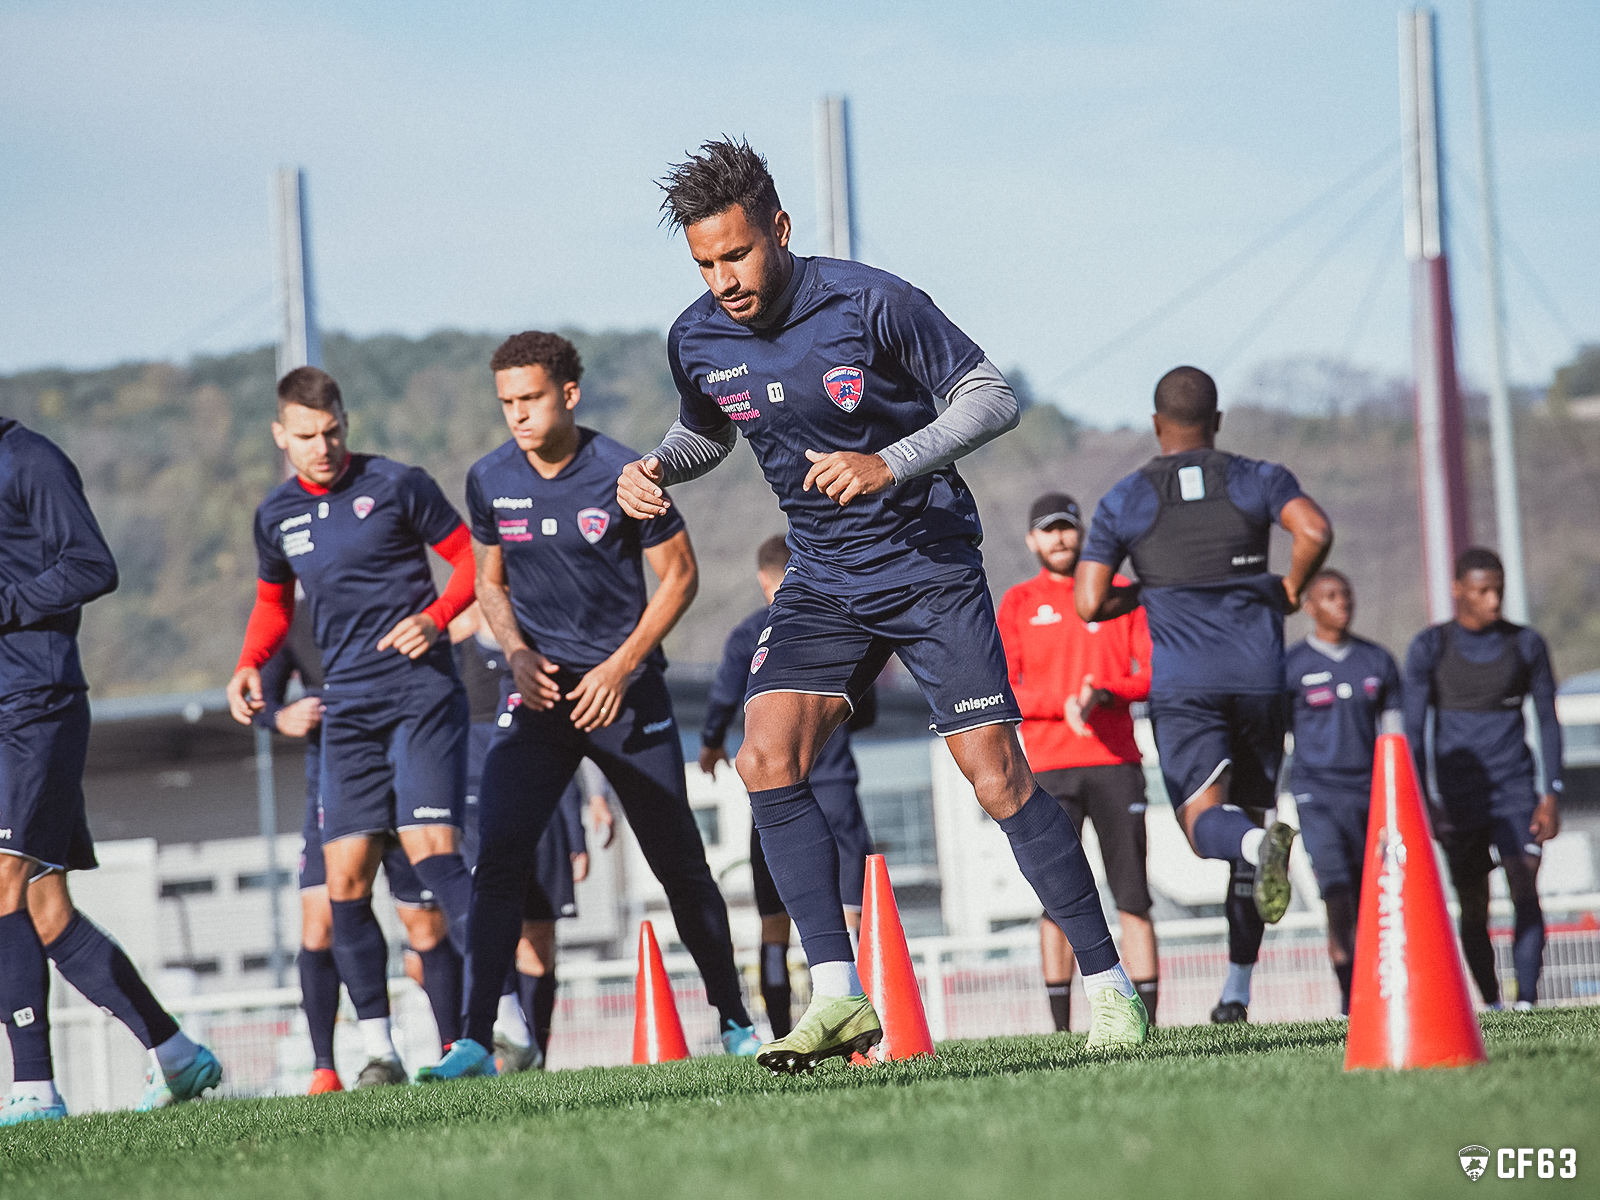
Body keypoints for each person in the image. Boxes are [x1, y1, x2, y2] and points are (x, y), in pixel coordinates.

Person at [619, 139, 1148, 1073]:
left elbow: (992, 398)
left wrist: (891, 461)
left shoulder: (870, 301)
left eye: (736, 255)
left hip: (928, 563)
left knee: (994, 777)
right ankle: (838, 996)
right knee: (764, 755)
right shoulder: (696, 335)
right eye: (705, 264)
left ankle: (1110, 988)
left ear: (779, 230)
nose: (724, 280)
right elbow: (707, 434)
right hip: (823, 574)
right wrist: (657, 467)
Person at [423, 329, 757, 1082]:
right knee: (498, 861)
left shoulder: (624, 471)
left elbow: (679, 577)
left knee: (680, 862)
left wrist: (618, 667)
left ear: (568, 394)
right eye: (506, 401)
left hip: (627, 696)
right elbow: (489, 583)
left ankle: (734, 1020)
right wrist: (513, 654)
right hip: (538, 700)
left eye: (531, 398)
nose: (517, 414)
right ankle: (478, 1039)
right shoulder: (488, 479)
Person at [226, 366, 478, 1088]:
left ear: (345, 423)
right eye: (306, 436)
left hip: (420, 691)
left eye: (332, 431)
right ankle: (378, 1050)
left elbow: (468, 560)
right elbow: (273, 605)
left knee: (433, 851)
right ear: (282, 436)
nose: (323, 446)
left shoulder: (399, 484)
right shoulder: (275, 515)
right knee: (343, 878)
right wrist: (250, 664)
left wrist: (433, 620)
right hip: (347, 708)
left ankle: (493, 1025)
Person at [1075, 367, 1332, 982]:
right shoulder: (1257, 477)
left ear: (1157, 424)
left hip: (1187, 686)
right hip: (1261, 677)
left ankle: (1252, 848)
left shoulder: (1127, 497)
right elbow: (1315, 530)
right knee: (1250, 819)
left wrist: (1143, 592)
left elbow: (1088, 602)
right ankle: (1237, 991)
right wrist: (1292, 587)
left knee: (1208, 829)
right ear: (1216, 422)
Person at [0, 417, 220, 1124]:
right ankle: (178, 1053)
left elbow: (94, 564)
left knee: (1, 883)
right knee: (46, 908)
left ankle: (34, 1089)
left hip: (35, 704)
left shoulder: (28, 458)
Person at [256, 601, 460, 1093]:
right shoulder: (293, 617)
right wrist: (280, 716)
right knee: (320, 918)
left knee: (424, 924)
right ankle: (329, 1066)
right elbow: (258, 696)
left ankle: (456, 1049)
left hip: (404, 775)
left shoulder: (393, 596)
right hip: (334, 785)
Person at [699, 536, 876, 1039]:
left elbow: (723, 700)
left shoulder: (751, 633)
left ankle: (782, 1029)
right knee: (856, 914)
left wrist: (711, 745)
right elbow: (870, 708)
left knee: (774, 922)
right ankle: (875, 1023)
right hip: (835, 784)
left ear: (762, 578)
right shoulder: (844, 619)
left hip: (778, 795)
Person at [997, 492, 1160, 1030]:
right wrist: (1059, 704)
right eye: (1049, 530)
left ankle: (1147, 1021)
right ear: (1032, 541)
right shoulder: (1019, 603)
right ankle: (1062, 1027)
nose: (1060, 538)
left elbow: (1151, 675)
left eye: (1068, 528)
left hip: (1116, 762)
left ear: (1083, 532)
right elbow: (1005, 688)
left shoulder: (1118, 594)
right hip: (1046, 768)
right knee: (1056, 900)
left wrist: (1103, 694)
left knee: (1133, 895)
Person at [448, 603, 615, 1073]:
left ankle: (535, 1056)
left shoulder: (546, 651)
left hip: (550, 810)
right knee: (499, 926)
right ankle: (494, 1044)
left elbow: (578, 736)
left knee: (540, 941)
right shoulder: (456, 654)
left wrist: (587, 812)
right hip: (481, 811)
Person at [1403, 547, 1563, 1009]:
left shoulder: (1526, 644)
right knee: (1473, 905)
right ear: (1458, 590)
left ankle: (1527, 1001)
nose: (1494, 600)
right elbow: (1413, 734)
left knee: (1524, 888)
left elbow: (1548, 722)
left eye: (1499, 589)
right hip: (1458, 799)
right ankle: (1491, 1002)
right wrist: (1422, 799)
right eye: (1482, 591)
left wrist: (1550, 793)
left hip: (1516, 790)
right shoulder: (1431, 647)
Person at [1283, 570, 1401, 1017]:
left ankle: (1377, 993)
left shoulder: (1377, 661)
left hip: (1371, 795)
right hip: (1317, 794)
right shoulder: (1292, 666)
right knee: (1336, 893)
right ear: (1310, 606)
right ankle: (1349, 1000)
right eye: (1330, 596)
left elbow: (1395, 735)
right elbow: (1276, 738)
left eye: (1346, 594)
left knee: (1372, 894)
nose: (1342, 603)